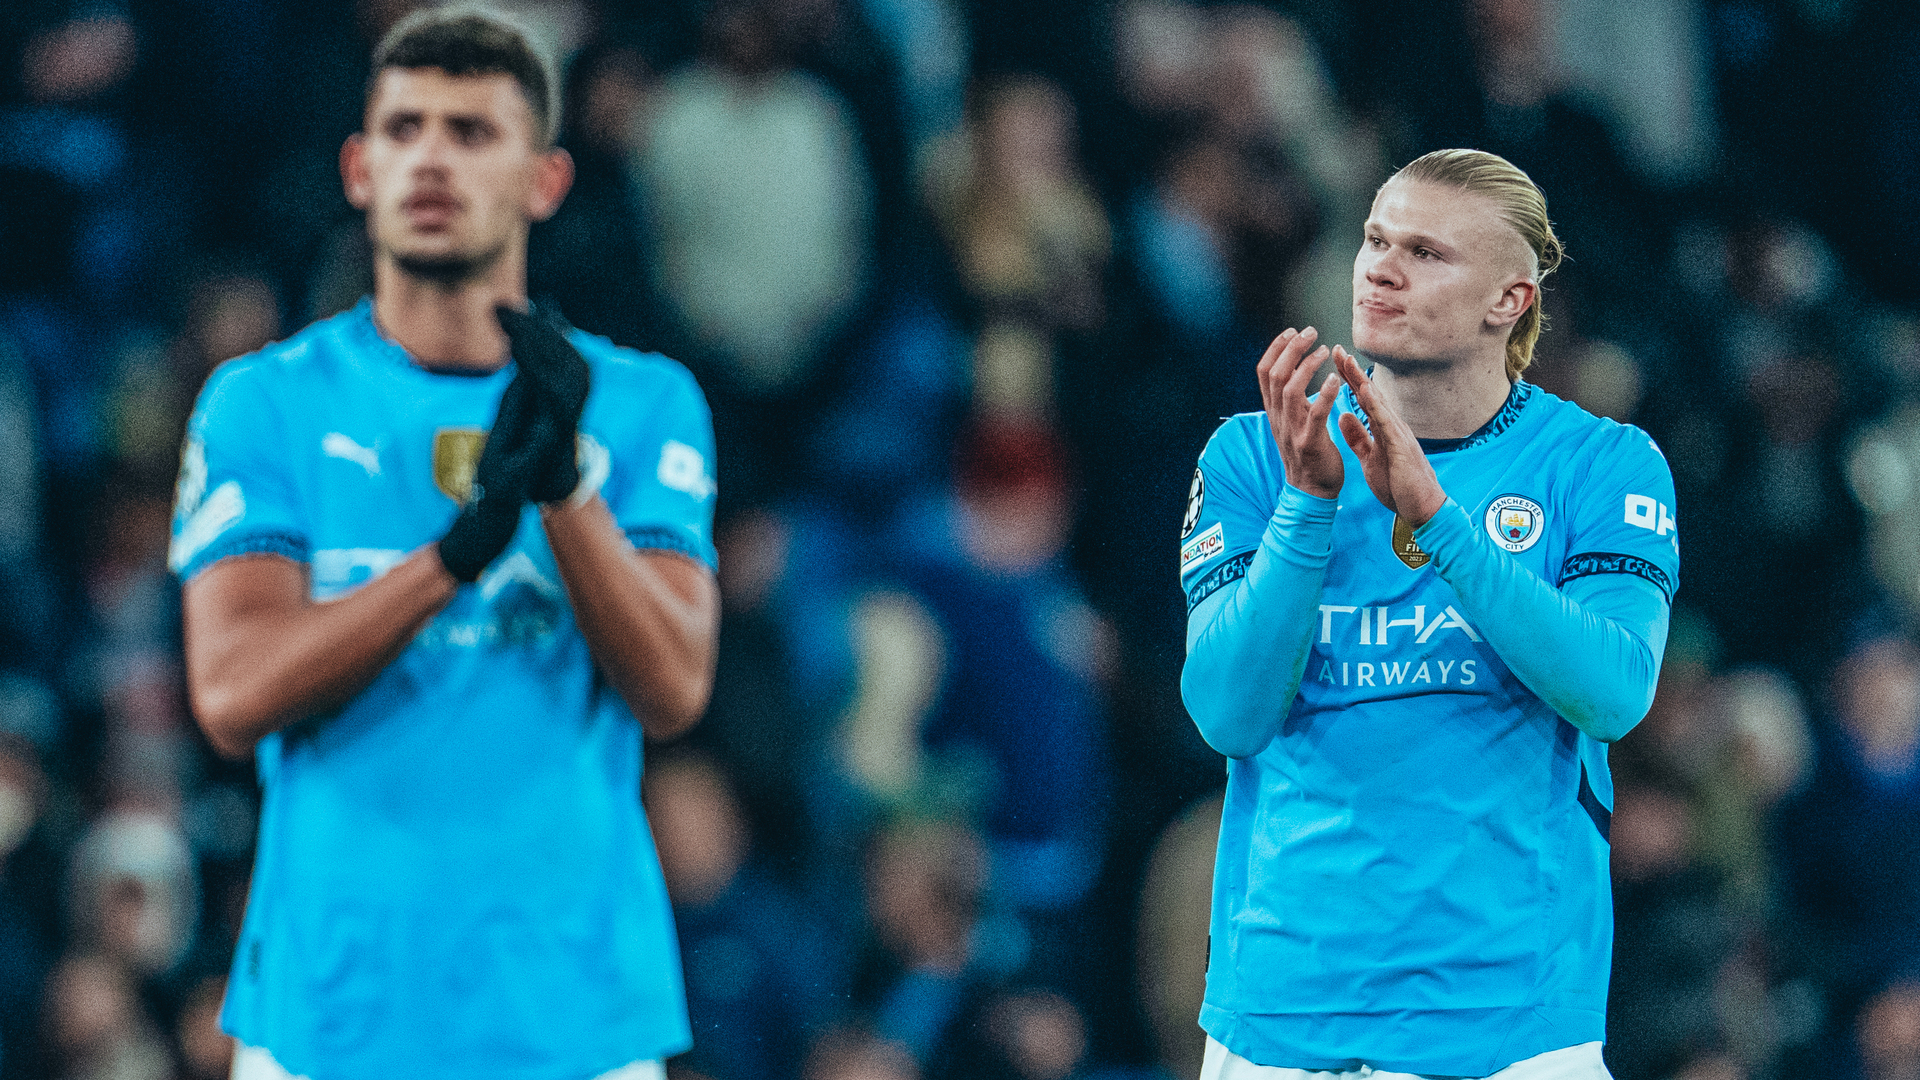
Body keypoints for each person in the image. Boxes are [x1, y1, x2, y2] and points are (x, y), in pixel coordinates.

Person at [166, 10, 720, 1080]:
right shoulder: (262, 403)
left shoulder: (644, 404)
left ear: (544, 181)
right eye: (406, 128)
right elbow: (234, 693)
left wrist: (562, 487)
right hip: (331, 1018)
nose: (432, 158)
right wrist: (451, 563)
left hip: (574, 1018)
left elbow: (672, 687)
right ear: (358, 168)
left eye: (471, 133)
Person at [1179, 149, 1679, 1079]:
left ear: (1509, 302)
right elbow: (1227, 715)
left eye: (1425, 251)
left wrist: (1439, 524)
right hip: (1284, 1023)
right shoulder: (1255, 454)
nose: (1379, 267)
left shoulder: (1602, 464)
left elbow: (1614, 691)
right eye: (1374, 239)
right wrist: (1306, 508)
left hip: (1514, 1028)